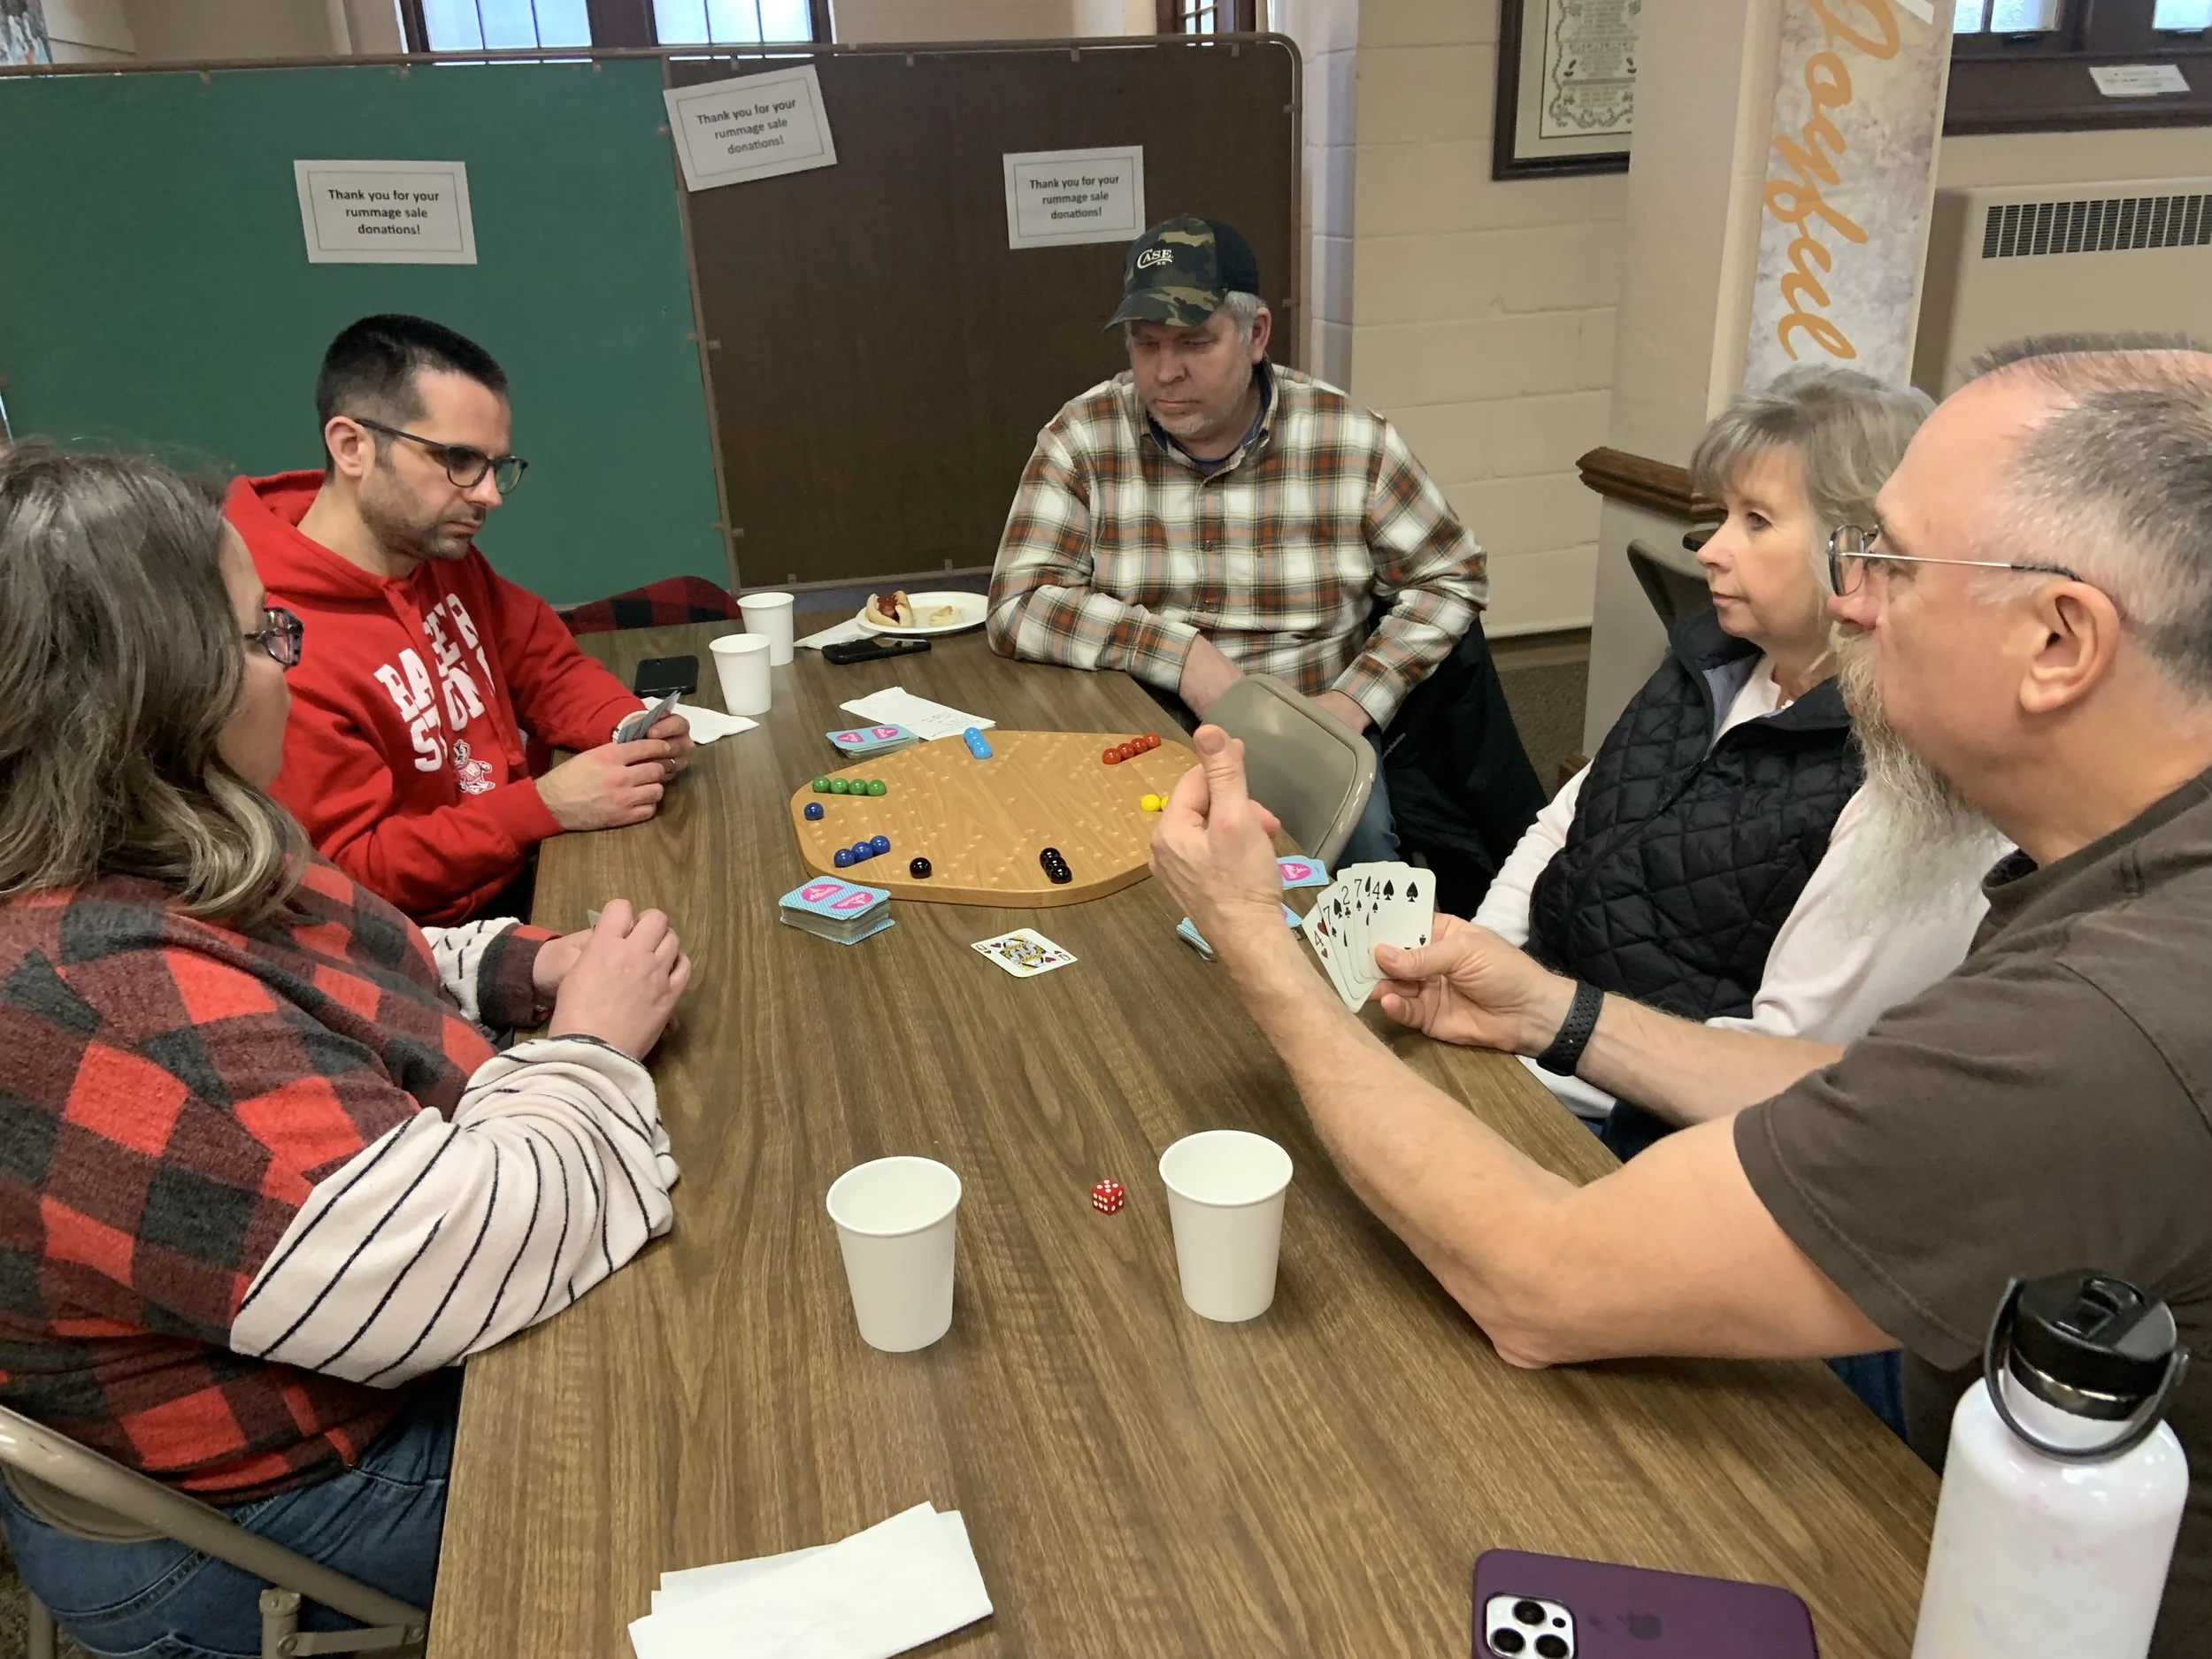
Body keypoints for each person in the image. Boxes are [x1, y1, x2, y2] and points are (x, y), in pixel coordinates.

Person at [1151, 337, 2212, 1655]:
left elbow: (1541, 1282)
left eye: (1888, 562)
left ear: (2058, 639)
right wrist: (1554, 1012)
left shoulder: (2111, 1015)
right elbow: (1871, 1093)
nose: (1852, 605)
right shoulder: (2133, 887)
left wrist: (1253, 939)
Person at [0, 446, 691, 1655]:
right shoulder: (95, 996)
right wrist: (590, 1043)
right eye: (263, 635)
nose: (289, 662)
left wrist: (521, 967)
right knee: (705, 1425)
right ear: (161, 686)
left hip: (364, 1315)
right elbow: (472, 1254)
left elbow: (348, 960)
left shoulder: (162, 827)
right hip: (285, 1501)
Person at [1474, 366, 1992, 1157]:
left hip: (1644, 1128)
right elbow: (1562, 824)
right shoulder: (1708, 662)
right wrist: (1487, 962)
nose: (1711, 550)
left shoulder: (1904, 779)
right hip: (1530, 1037)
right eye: (1722, 515)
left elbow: (1777, 1065)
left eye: (1756, 521)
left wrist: (1524, 1039)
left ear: (1861, 548)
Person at [987, 215, 1541, 875]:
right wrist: (1181, 655)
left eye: (1195, 342)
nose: (1165, 372)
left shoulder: (1348, 439)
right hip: (1139, 723)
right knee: (1063, 862)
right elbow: (1017, 602)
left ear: (1255, 335)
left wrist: (1354, 702)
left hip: (1305, 733)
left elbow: (1451, 577)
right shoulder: (1084, 435)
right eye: (1145, 344)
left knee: (1357, 862)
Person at [226, 314, 693, 926]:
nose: (488, 495)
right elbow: (354, 872)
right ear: (352, 447)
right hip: (422, 938)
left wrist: (626, 723)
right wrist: (543, 806)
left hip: (524, 864)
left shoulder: (434, 551)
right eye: (460, 459)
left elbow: (542, 663)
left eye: (497, 465)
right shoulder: (269, 642)